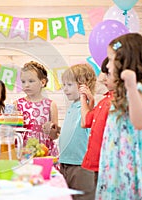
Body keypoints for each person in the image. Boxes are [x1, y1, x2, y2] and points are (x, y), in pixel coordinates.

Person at [96, 33, 142, 199]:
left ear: (125, 62)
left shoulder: (138, 89)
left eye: (111, 59)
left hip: (128, 163)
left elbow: (140, 122)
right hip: (116, 160)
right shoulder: (119, 93)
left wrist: (131, 87)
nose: (109, 66)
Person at [59, 63, 97, 200]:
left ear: (83, 85)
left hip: (81, 165)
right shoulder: (73, 106)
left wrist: (86, 98)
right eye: (64, 85)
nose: (65, 89)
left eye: (69, 85)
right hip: (66, 163)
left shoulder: (88, 107)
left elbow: (90, 126)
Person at [79, 58, 114, 191]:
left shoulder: (116, 103)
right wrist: (85, 98)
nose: (104, 78)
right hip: (98, 163)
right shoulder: (104, 102)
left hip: (107, 164)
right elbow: (85, 121)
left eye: (108, 73)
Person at [15, 61, 59, 157]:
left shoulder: (51, 105)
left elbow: (54, 136)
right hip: (24, 149)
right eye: (23, 82)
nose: (26, 85)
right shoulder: (17, 104)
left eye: (31, 81)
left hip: (44, 150)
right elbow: (13, 131)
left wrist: (51, 129)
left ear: (42, 82)